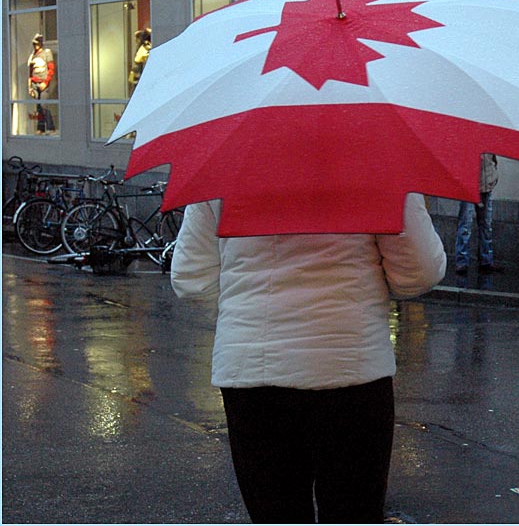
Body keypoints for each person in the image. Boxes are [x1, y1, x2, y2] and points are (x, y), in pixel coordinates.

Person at [171, 193, 446, 523]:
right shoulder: (377, 164)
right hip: (351, 368)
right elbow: (421, 271)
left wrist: (245, 312)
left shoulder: (222, 164)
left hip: (252, 375)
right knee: (353, 512)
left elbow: (192, 278)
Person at [454, 153, 499, 274]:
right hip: (469, 185)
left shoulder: (488, 137)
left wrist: (493, 176)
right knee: (466, 225)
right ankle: (462, 262)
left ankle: (486, 260)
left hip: (486, 185)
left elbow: (493, 157)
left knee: (485, 225)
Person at [27, 33, 56, 134]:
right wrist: (30, 87)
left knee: (44, 105)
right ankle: (41, 128)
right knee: (38, 106)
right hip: (35, 82)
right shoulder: (32, 55)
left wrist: (46, 82)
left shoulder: (46, 53)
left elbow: (51, 69)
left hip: (43, 83)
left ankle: (51, 127)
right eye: (34, 44)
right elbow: (30, 72)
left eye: (37, 43)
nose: (35, 46)